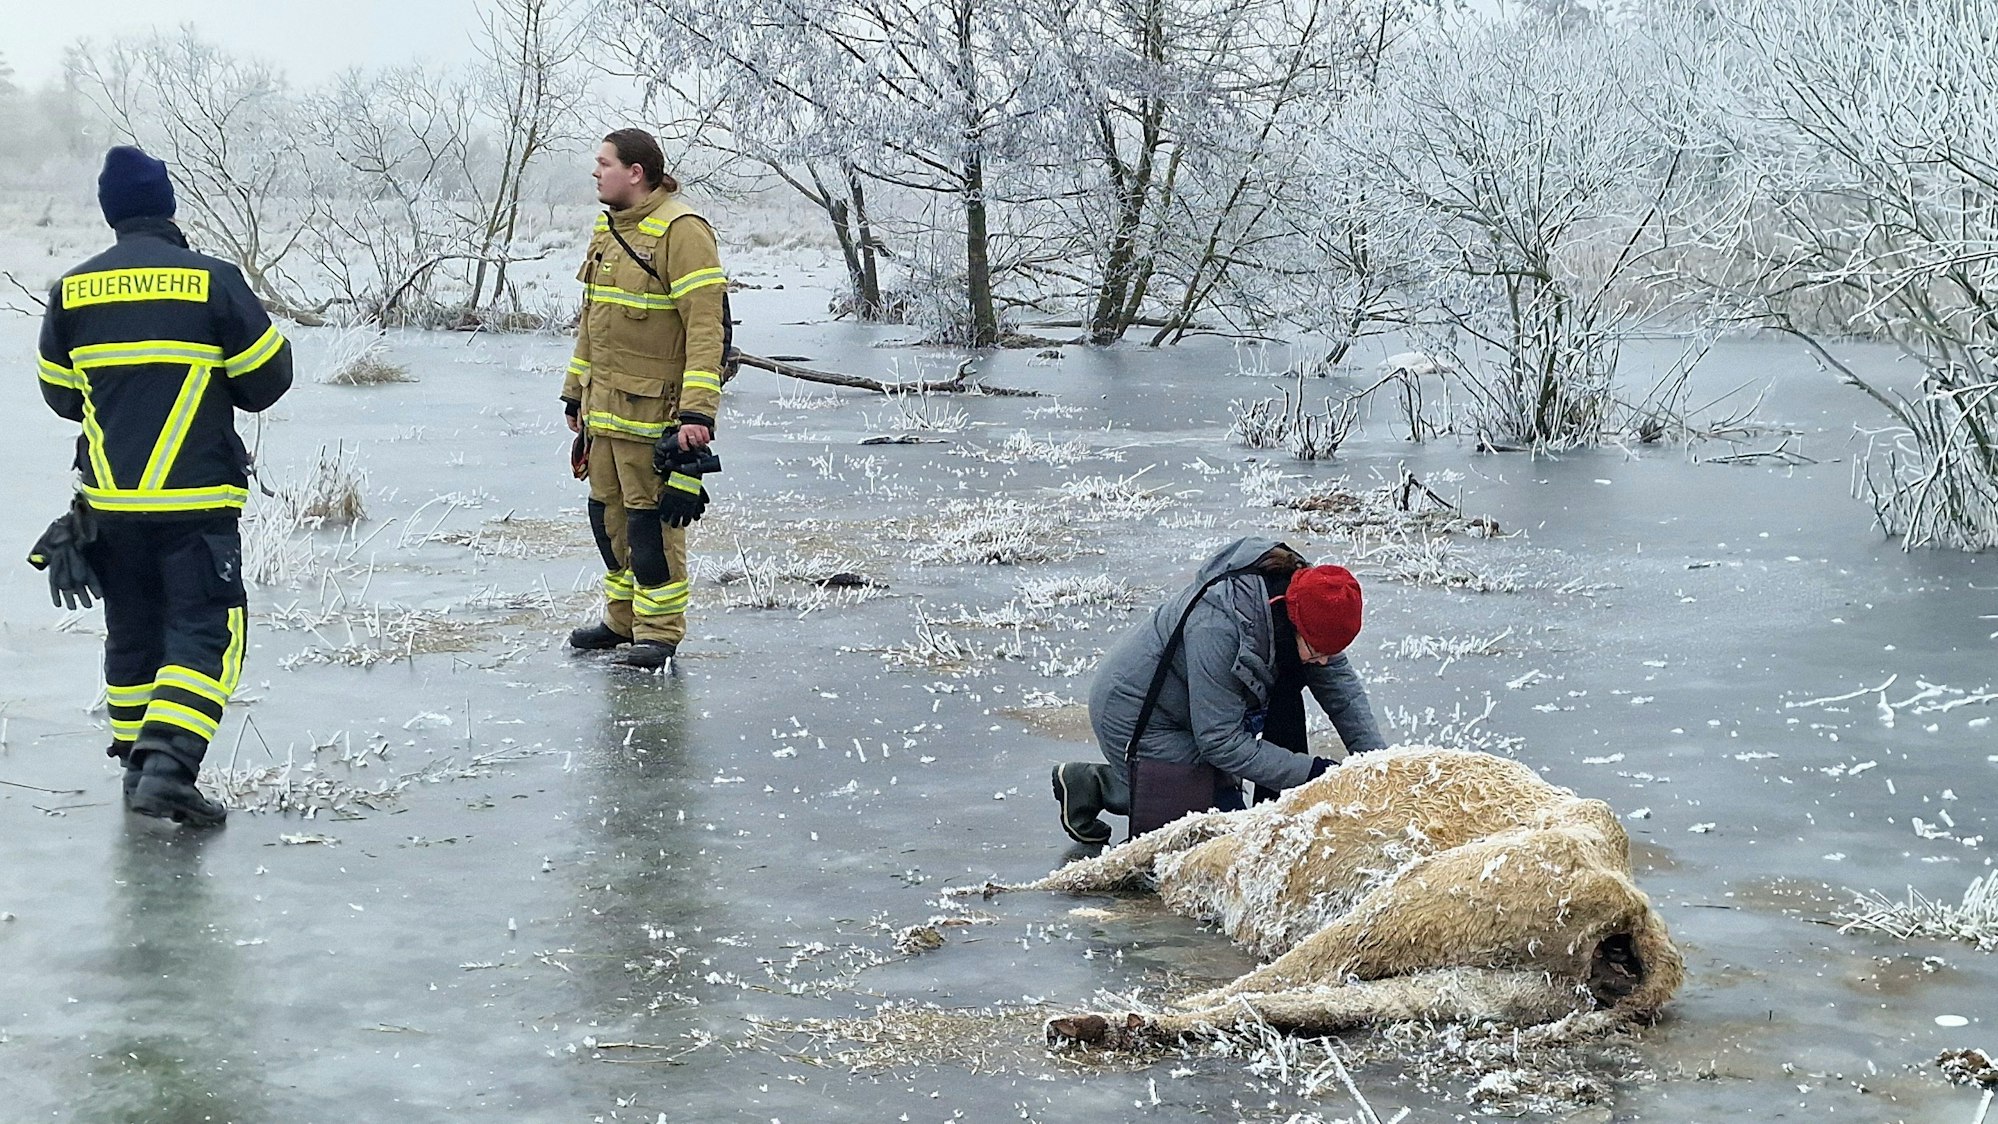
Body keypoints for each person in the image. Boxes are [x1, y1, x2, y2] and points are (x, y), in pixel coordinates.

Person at [32, 146, 293, 826]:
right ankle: (168, 771)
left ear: (109, 213)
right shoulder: (211, 281)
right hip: (195, 502)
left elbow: (62, 397)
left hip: (110, 506)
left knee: (134, 636)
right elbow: (267, 380)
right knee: (206, 634)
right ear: (168, 205)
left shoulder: (71, 289)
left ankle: (136, 767)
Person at [1051, 537, 1386, 844]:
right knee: (1214, 840)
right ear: (1293, 623)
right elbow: (1220, 741)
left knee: (1222, 812)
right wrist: (1313, 773)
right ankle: (1105, 785)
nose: (1325, 662)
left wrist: (1382, 765)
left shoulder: (1303, 600)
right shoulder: (1220, 627)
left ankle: (1105, 783)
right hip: (1141, 715)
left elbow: (1342, 693)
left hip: (1194, 712)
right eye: (1317, 652)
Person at [561, 127, 729, 671]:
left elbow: (706, 330)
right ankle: (621, 619)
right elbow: (592, 321)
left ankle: (659, 633)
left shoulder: (682, 232)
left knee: (650, 526)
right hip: (604, 412)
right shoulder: (608, 232)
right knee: (607, 520)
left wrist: (698, 414)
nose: (596, 172)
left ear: (636, 172)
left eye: (604, 163)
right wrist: (573, 393)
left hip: (655, 415)